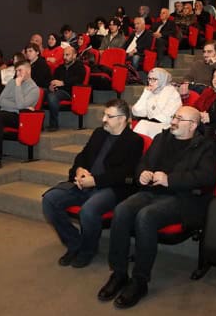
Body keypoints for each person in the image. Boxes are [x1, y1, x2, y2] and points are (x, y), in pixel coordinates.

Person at [96, 106, 216, 309]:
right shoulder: (162, 138)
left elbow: (207, 177)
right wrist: (143, 173)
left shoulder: (207, 145)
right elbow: (143, 163)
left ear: (192, 125)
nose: (173, 121)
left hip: (182, 198)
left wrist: (170, 179)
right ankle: (118, 273)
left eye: (179, 119)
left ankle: (140, 281)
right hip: (151, 191)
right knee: (122, 210)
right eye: (174, 116)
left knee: (146, 216)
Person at [42, 99, 144, 268]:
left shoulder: (134, 141)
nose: (104, 119)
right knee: (50, 200)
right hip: (84, 182)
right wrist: (79, 170)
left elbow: (124, 174)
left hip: (111, 188)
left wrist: (95, 180)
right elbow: (82, 156)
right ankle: (75, 244)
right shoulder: (99, 133)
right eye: (104, 114)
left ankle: (87, 251)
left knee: (88, 210)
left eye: (109, 116)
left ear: (122, 119)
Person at [132, 67, 182, 139]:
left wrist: (148, 121)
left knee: (142, 125)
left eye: (154, 79)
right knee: (142, 125)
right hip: (152, 125)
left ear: (162, 79)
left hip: (167, 127)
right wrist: (146, 93)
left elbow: (166, 118)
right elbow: (137, 111)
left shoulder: (172, 93)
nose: (150, 82)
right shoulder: (151, 91)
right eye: (149, 79)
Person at [46, 46, 86, 131]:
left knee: (52, 96)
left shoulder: (80, 67)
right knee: (43, 92)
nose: (64, 57)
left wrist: (63, 83)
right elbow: (53, 80)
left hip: (71, 92)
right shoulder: (59, 68)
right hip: (58, 91)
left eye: (67, 55)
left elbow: (78, 80)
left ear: (74, 55)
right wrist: (51, 86)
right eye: (64, 55)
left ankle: (53, 124)